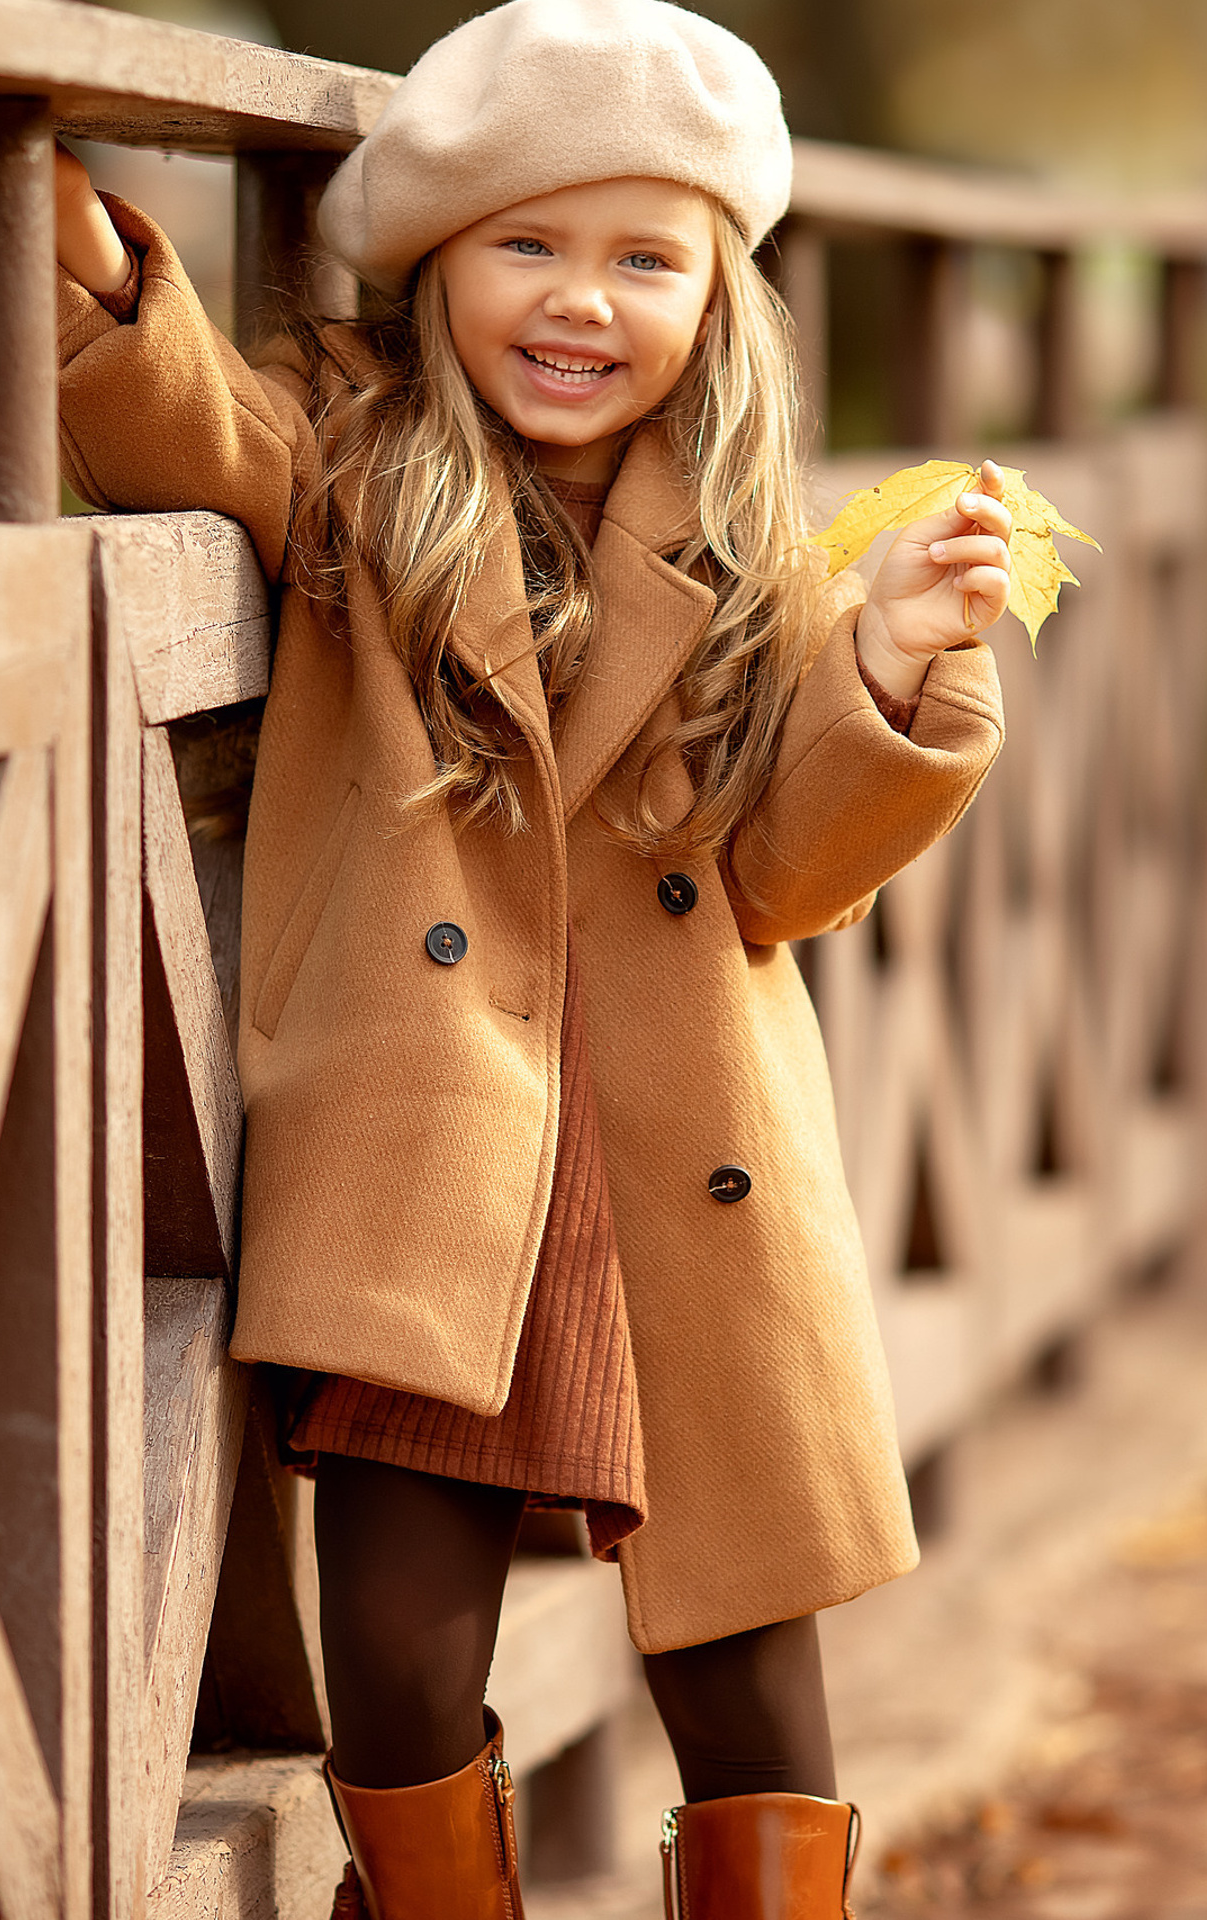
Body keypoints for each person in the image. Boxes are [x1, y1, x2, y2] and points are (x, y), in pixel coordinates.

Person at [55, 2, 1008, 1911]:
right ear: (435, 266)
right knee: (397, 1664)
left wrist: (892, 661)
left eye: (645, 258)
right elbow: (167, 410)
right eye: (529, 246)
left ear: (716, 294)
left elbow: (790, 872)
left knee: (747, 1689)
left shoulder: (748, 548)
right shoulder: (352, 456)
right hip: (436, 1159)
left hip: (681, 1162)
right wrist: (58, 225)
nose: (582, 305)